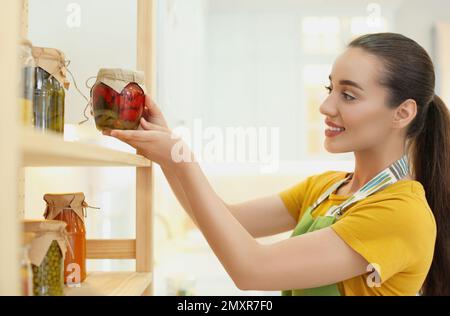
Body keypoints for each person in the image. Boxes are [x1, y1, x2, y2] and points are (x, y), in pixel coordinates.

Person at [104, 33, 450, 296]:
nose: (326, 106)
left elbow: (253, 270)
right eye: (329, 88)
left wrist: (181, 157)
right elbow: (222, 220)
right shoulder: (327, 187)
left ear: (402, 113)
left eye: (348, 95)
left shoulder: (400, 212)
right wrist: (169, 153)